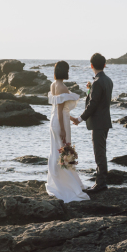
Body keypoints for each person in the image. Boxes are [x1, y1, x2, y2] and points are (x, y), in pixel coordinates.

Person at [46, 61, 90, 203]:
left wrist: (72, 118)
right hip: (60, 122)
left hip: (54, 121)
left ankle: (57, 181)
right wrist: (63, 129)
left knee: (56, 151)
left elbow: (61, 109)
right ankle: (67, 185)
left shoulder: (53, 85)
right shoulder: (62, 87)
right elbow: (60, 110)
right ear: (65, 71)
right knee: (63, 152)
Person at [70, 53, 114, 193]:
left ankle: (101, 183)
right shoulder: (108, 80)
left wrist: (79, 119)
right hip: (105, 121)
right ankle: (101, 181)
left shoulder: (97, 82)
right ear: (104, 65)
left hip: (98, 122)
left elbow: (93, 104)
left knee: (99, 153)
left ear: (91, 65)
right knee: (101, 152)